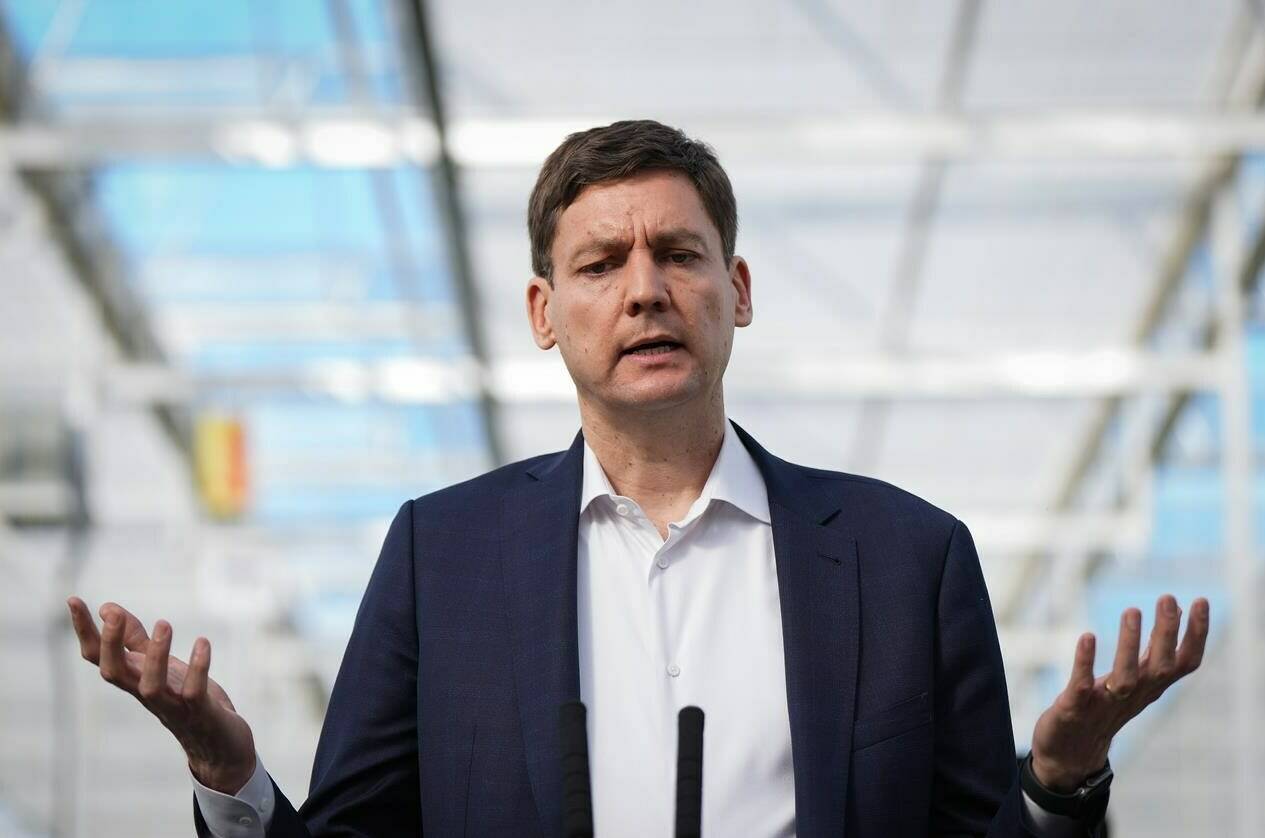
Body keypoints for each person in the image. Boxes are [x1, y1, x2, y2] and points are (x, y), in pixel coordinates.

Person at [67, 119, 1209, 838]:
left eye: (679, 253)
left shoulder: (907, 557)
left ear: (738, 288)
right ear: (543, 314)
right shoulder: (440, 557)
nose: (644, 288)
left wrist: (1057, 784)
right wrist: (230, 773)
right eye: (600, 263)